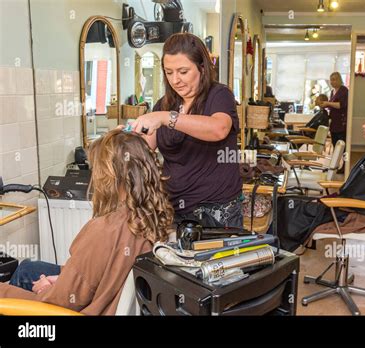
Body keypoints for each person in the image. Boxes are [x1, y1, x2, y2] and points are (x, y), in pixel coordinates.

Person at [0, 130, 174, 315]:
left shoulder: (104, 229)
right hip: (101, 296)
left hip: (68, 308)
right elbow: (93, 276)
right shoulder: (152, 214)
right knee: (27, 268)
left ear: (108, 176)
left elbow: (63, 302)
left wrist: (47, 290)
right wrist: (62, 279)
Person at [130, 33, 243, 228]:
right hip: (173, 206)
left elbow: (219, 129)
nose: (175, 80)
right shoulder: (163, 104)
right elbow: (145, 147)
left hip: (217, 209)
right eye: (169, 72)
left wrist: (166, 118)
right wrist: (126, 137)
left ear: (202, 68)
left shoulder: (219, 95)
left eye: (183, 71)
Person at [276, 107, 365, 252]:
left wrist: (329, 201)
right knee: (286, 200)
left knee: (288, 205)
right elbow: (358, 191)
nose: (364, 125)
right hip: (349, 207)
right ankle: (280, 253)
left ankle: (280, 257)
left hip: (356, 216)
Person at [321, 72, 349, 147]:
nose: (332, 82)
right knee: (335, 143)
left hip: (341, 123)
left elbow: (341, 105)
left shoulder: (344, 90)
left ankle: (343, 158)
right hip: (334, 123)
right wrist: (324, 105)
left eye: (334, 80)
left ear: (339, 80)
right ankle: (336, 158)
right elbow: (331, 106)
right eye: (331, 80)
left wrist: (328, 103)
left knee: (341, 145)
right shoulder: (332, 91)